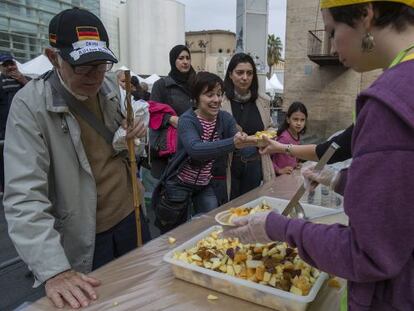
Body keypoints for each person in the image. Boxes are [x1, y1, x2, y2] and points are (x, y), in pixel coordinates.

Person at [225, 1, 414, 309]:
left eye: (332, 30)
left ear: (366, 15)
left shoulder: (390, 100)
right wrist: (339, 180)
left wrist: (279, 228)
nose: (331, 43)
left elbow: (368, 255)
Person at [3, 8, 148, 309]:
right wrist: (54, 270)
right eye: (83, 67)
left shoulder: (109, 87)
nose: (95, 76)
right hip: (84, 235)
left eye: (101, 64)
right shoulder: (30, 106)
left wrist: (134, 133)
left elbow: (122, 149)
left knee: (142, 296)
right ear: (53, 57)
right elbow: (24, 198)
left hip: (131, 218)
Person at [152, 72, 258, 233]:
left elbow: (238, 139)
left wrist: (254, 141)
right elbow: (196, 150)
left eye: (219, 94)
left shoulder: (225, 118)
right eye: (209, 95)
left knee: (211, 226)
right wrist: (234, 142)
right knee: (173, 233)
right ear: (196, 98)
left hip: (204, 183)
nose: (216, 100)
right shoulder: (187, 120)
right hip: (179, 183)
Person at [221, 52, 275, 200]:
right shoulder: (220, 101)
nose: (245, 77)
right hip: (230, 164)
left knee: (251, 205)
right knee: (229, 206)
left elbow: (270, 127)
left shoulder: (263, 101)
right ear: (230, 74)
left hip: (255, 163)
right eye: (240, 72)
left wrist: (267, 135)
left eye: (249, 73)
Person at [149, 44, 196, 179]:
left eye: (188, 58)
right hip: (168, 150)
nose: (185, 61)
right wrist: (170, 119)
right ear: (173, 60)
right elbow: (152, 111)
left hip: (192, 145)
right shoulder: (162, 85)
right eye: (181, 58)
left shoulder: (196, 83)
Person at [0, 53, 30, 192]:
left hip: (27, 131)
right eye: (6, 65)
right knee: (6, 165)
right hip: (5, 133)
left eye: (12, 63)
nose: (11, 67)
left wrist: (23, 81)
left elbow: (41, 95)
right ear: (1, 68)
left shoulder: (28, 81)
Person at [271, 101, 308, 176]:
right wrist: (279, 170)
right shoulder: (283, 138)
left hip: (289, 176)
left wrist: (295, 164)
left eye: (302, 120)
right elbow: (269, 158)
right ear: (288, 119)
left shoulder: (297, 136)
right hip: (279, 178)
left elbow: (292, 155)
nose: (299, 123)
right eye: (295, 119)